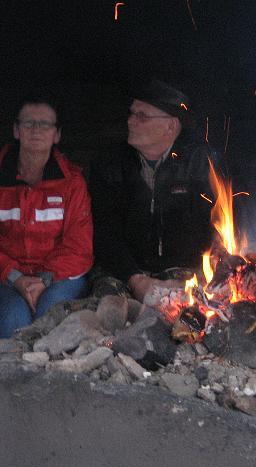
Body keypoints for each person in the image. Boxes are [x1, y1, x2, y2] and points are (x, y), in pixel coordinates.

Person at [0, 94, 93, 339]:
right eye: (28, 123)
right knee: (15, 323)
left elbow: (78, 247)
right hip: (1, 279)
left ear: (57, 134)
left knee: (50, 320)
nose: (36, 130)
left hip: (58, 278)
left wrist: (43, 280)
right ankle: (18, 377)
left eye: (45, 125)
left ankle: (51, 377)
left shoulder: (72, 183)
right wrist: (16, 278)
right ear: (16, 130)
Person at [89, 79, 221, 302]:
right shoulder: (109, 164)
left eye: (142, 116)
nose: (131, 121)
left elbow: (219, 226)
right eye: (131, 113)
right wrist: (136, 279)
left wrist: (195, 275)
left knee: (191, 311)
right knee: (108, 308)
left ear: (170, 126)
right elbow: (104, 233)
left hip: (181, 271)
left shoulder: (201, 164)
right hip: (121, 272)